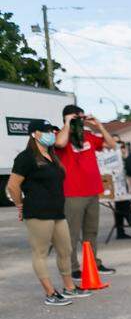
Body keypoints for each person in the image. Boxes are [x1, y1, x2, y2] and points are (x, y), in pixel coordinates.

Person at [5, 121, 93, 306]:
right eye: (45, 131)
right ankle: (50, 293)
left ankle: (69, 288)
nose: (51, 134)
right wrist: (20, 205)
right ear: (34, 134)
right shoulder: (26, 157)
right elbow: (12, 186)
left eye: (52, 131)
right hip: (37, 211)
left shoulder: (52, 156)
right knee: (41, 253)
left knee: (65, 250)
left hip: (57, 211)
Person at [55, 103, 116, 279]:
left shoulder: (89, 136)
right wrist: (67, 123)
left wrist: (99, 126)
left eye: (81, 118)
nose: (80, 121)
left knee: (91, 231)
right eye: (77, 118)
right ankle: (73, 267)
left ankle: (93, 263)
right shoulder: (59, 135)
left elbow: (112, 145)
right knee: (72, 233)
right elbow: (60, 143)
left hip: (92, 191)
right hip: (73, 193)